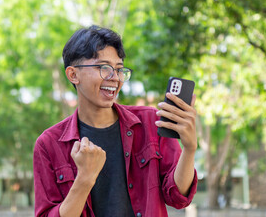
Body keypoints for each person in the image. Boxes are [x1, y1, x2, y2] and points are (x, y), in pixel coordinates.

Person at [33, 25, 198, 217]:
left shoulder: (151, 122)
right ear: (73, 74)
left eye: (119, 69)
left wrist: (189, 149)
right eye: (103, 68)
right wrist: (84, 179)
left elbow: (178, 197)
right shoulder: (48, 145)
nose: (114, 78)